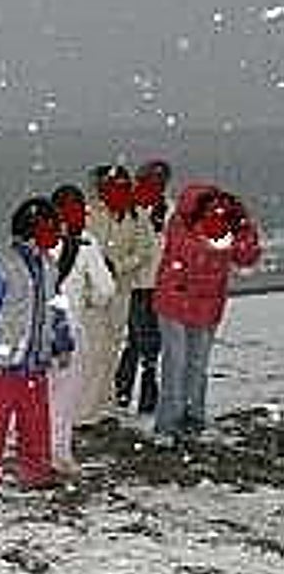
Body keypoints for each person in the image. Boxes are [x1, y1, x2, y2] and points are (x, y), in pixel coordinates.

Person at [0, 197, 74, 501]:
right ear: (33, 228)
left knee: (36, 423)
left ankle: (35, 471)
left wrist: (62, 342)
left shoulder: (48, 266)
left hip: (34, 362)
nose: (56, 235)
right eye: (50, 228)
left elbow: (56, 308)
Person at [152, 184, 261, 446]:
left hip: (207, 305)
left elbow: (247, 257)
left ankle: (192, 417)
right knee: (176, 363)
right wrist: (223, 240)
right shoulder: (182, 223)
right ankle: (168, 422)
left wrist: (244, 232)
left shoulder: (230, 225)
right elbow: (186, 251)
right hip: (175, 301)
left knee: (197, 364)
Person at [82, 164, 159, 422]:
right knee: (94, 347)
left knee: (112, 347)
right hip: (90, 292)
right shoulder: (89, 213)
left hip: (121, 289)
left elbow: (144, 250)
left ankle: (106, 402)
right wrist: (96, 268)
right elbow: (79, 247)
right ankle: (87, 406)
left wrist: (118, 266)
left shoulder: (136, 215)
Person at [48, 185, 115, 475]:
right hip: (71, 328)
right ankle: (59, 452)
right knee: (64, 397)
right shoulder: (87, 243)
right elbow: (106, 289)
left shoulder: (39, 239)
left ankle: (34, 448)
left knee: (37, 394)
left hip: (38, 329)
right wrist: (88, 300)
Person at [114, 160, 170, 414]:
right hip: (137, 285)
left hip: (159, 284)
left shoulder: (170, 210)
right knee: (143, 342)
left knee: (140, 342)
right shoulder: (131, 210)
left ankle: (127, 393)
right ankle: (133, 394)